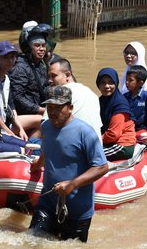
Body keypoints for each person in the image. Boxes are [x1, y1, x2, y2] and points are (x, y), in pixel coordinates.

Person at [29, 85, 108, 242]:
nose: (52, 112)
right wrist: (38, 163)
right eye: (49, 107)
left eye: (58, 108)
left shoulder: (85, 132)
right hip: (48, 203)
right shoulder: (45, 127)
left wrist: (73, 184)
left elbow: (102, 167)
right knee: (31, 242)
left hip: (78, 211)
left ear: (70, 108)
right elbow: (47, 147)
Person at [9, 23, 54, 136]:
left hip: (38, 112)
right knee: (45, 123)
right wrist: (41, 110)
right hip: (22, 116)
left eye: (43, 45)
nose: (41, 49)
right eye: (37, 45)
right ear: (29, 47)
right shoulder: (20, 67)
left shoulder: (41, 65)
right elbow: (18, 98)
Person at [42, 58, 102, 141]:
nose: (49, 80)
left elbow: (45, 127)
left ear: (67, 75)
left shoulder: (58, 94)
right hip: (96, 145)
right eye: (49, 76)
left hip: (70, 148)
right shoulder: (92, 93)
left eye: (53, 76)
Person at [96, 67, 137, 161]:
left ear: (116, 83)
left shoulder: (119, 104)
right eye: (103, 82)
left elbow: (113, 134)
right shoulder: (101, 100)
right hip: (109, 142)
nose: (107, 86)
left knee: (89, 153)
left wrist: (95, 140)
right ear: (98, 84)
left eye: (110, 82)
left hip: (122, 146)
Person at [0, 41, 28, 141]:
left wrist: (20, 129)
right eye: (5, 57)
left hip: (6, 122)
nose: (10, 61)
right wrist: (10, 133)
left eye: (12, 57)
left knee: (40, 122)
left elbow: (11, 106)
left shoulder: (7, 79)